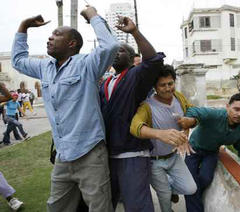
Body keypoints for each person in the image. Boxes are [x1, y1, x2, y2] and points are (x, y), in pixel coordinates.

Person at [12, 5, 119, 212]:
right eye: (51, 34)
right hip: (63, 155)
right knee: (57, 207)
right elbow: (17, 61)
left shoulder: (87, 64)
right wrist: (23, 26)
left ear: (72, 44)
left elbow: (110, 46)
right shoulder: (45, 67)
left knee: (100, 208)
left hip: (89, 153)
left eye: (57, 34)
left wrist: (92, 16)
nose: (50, 38)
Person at [99, 16, 165, 211]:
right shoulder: (105, 82)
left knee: (137, 205)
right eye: (113, 51)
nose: (115, 54)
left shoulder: (136, 76)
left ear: (130, 57)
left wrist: (134, 32)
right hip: (109, 154)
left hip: (132, 153)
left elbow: (152, 60)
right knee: (108, 201)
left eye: (120, 50)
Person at [130, 65, 197, 212]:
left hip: (174, 157)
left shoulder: (179, 97)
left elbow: (193, 112)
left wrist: (189, 123)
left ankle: (170, 187)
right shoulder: (147, 106)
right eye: (162, 85)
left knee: (191, 188)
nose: (168, 88)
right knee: (164, 195)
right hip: (155, 161)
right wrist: (160, 134)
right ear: (155, 86)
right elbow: (135, 127)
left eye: (170, 83)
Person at [177, 93, 240, 212]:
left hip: (211, 153)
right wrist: (185, 130)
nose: (239, 114)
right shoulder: (214, 114)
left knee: (205, 179)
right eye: (236, 109)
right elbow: (192, 110)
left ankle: (188, 192)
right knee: (190, 183)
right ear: (227, 106)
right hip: (193, 149)